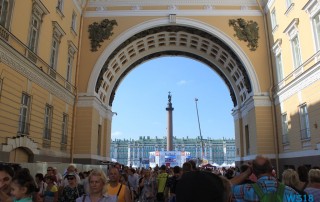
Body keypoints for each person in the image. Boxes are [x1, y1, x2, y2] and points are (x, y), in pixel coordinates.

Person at [231, 155, 298, 202]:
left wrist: (247, 172)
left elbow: (225, 188)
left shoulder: (246, 190)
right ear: (271, 168)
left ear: (253, 171)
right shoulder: (291, 192)